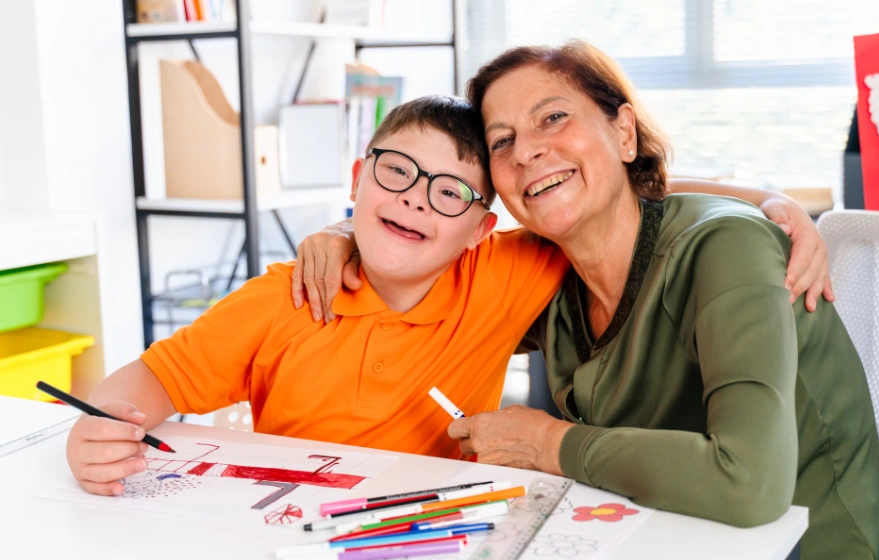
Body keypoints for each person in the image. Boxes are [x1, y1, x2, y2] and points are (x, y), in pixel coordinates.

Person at [296, 43, 879, 559]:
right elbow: (422, 260)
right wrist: (349, 230)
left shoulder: (728, 247)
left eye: (552, 118)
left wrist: (548, 443)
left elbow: (748, 483)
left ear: (623, 131)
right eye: (503, 141)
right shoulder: (546, 276)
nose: (527, 150)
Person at [67, 94, 821, 499]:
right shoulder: (288, 295)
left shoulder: (504, 270)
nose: (415, 199)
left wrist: (765, 197)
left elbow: (612, 195)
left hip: (435, 525)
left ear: (481, 228)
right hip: (290, 522)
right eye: (397, 172)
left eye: (451, 192)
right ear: (358, 178)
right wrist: (100, 427)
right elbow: (154, 378)